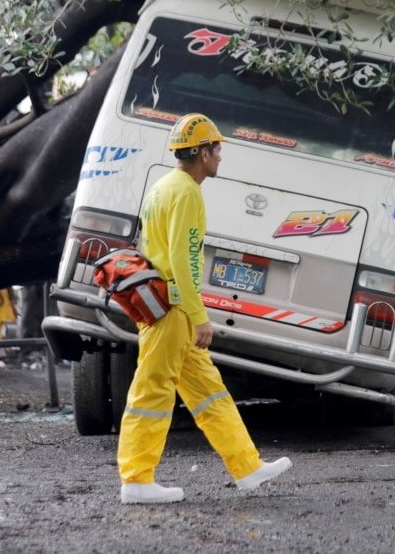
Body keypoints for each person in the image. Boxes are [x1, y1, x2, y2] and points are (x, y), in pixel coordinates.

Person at [116, 113, 292, 504]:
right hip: (173, 313)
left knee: (209, 392)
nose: (220, 156)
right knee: (152, 391)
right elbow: (183, 259)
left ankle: (246, 466)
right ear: (201, 153)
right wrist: (199, 316)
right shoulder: (187, 193)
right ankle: (137, 480)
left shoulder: (163, 186)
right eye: (216, 149)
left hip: (162, 307)